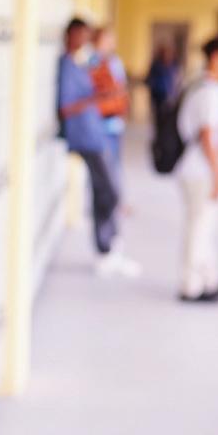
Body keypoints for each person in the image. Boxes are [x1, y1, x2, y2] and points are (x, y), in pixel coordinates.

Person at [57, 18, 141, 278]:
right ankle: (106, 248)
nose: (83, 41)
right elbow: (67, 106)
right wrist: (99, 98)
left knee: (105, 189)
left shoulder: (81, 64)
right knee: (109, 191)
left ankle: (110, 247)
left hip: (98, 135)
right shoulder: (69, 66)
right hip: (87, 137)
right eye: (80, 35)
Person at [174, 35, 218, 302]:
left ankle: (208, 278)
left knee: (204, 226)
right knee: (199, 227)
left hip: (196, 169)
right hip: (200, 171)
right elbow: (207, 138)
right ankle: (190, 285)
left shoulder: (201, 86)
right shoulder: (210, 92)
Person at [89, 26, 129, 195]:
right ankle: (109, 199)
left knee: (115, 164)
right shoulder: (93, 61)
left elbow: (121, 89)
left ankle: (117, 198)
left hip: (115, 122)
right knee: (104, 166)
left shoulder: (114, 61)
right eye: (106, 39)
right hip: (100, 122)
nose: (110, 43)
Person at [147, 43, 180, 116]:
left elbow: (176, 80)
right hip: (159, 96)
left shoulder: (174, 65)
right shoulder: (156, 65)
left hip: (171, 97)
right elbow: (150, 80)